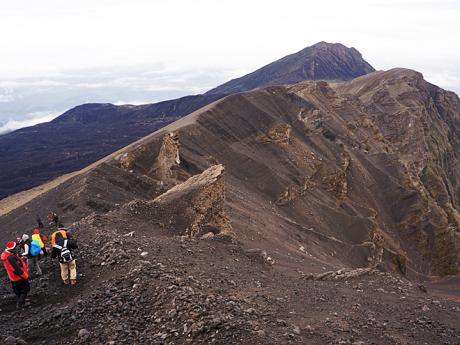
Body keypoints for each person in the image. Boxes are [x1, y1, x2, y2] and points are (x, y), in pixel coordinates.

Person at [1, 241, 30, 308]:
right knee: (25, 289)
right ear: (12, 248)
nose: (17, 248)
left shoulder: (7, 255)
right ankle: (20, 303)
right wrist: (25, 276)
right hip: (19, 277)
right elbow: (16, 269)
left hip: (13, 278)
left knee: (18, 290)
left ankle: (22, 300)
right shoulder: (10, 257)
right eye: (15, 247)